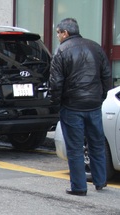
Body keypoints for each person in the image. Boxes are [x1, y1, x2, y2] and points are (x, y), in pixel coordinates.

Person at [50, 17, 112, 196]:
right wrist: (100, 97)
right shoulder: (95, 47)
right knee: (97, 143)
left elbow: (56, 83)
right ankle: (100, 181)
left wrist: (56, 104)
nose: (58, 37)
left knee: (75, 148)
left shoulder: (61, 51)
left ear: (65, 33)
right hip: (93, 105)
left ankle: (79, 186)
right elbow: (106, 76)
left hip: (72, 106)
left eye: (58, 33)